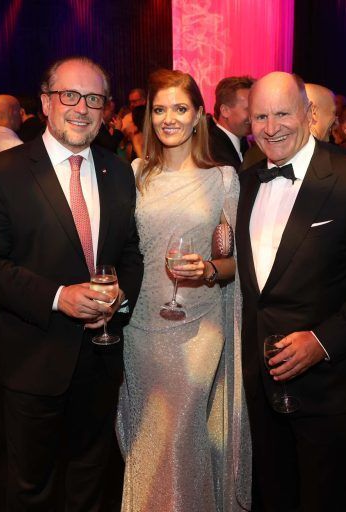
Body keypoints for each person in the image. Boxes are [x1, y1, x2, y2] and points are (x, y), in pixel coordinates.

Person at [0, 56, 143, 512]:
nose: (81, 107)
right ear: (45, 102)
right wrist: (59, 297)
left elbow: (129, 253)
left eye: (94, 98)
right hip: (35, 357)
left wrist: (121, 295)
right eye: (70, 95)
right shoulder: (2, 172)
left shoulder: (118, 171)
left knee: (90, 479)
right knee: (32, 487)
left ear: (106, 108)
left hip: (102, 356)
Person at [237, 72, 346, 511]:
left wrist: (321, 341)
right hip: (261, 376)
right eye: (260, 116)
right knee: (272, 494)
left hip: (326, 382)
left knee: (323, 497)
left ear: (309, 115)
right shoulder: (247, 180)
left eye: (282, 113)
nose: (271, 127)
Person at [117, 69, 250, 512]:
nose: (168, 118)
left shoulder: (223, 180)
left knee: (183, 430)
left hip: (201, 327)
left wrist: (210, 268)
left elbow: (234, 262)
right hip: (142, 328)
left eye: (179, 108)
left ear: (198, 116)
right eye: (159, 109)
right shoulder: (135, 174)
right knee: (149, 437)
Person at [208, 75, 254, 170]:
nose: (255, 115)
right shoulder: (210, 150)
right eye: (248, 109)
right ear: (225, 111)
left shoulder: (246, 144)